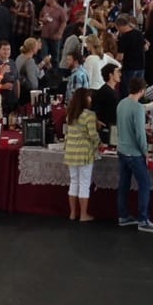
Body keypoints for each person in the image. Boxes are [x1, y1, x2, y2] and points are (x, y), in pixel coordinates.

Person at [115, 77, 153, 233]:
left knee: (124, 184)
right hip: (134, 153)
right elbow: (140, 134)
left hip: (121, 149)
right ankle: (143, 219)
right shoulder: (138, 108)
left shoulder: (121, 103)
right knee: (145, 184)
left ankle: (123, 216)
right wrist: (146, 152)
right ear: (142, 90)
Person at [63, 88, 98, 222]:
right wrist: (98, 145)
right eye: (89, 97)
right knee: (84, 183)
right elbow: (93, 136)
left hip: (70, 152)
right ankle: (83, 214)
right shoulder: (89, 115)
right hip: (84, 153)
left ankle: (72, 213)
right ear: (84, 99)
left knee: (74, 182)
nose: (91, 99)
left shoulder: (70, 114)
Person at [92, 63, 122, 142]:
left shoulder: (113, 91)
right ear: (110, 75)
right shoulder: (104, 91)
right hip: (106, 131)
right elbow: (94, 108)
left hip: (112, 129)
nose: (120, 74)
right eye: (117, 72)